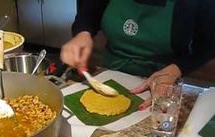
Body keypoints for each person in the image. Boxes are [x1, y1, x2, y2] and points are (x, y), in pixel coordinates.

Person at [60, 0, 215, 110]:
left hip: (162, 83)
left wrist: (177, 69)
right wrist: (83, 33)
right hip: (110, 73)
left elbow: (209, 44)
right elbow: (88, 14)